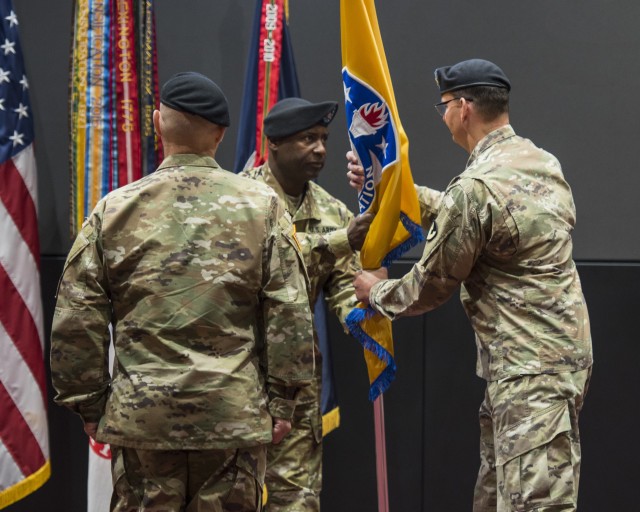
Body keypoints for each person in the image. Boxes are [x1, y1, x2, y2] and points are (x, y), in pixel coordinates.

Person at [50, 72, 315, 512]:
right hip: (231, 417)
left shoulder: (113, 210)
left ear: (157, 124)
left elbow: (77, 317)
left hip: (143, 420)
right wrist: (284, 402)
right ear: (221, 134)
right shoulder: (263, 207)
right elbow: (290, 311)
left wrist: (89, 405)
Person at [350, 59, 593, 511]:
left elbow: (431, 285)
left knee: (533, 506)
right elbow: (478, 219)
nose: (442, 116)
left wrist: (375, 292)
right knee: (499, 498)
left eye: (442, 106)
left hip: (529, 372)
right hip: (545, 364)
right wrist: (390, 189)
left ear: (463, 108)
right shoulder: (537, 162)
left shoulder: (478, 186)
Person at [241, 97, 373, 512]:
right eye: (307, 139)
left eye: (323, 139)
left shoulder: (333, 212)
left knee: (296, 503)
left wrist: (372, 305)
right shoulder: (240, 202)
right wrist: (340, 242)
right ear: (274, 143)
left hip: (296, 388)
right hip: (236, 380)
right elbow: (265, 265)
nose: (320, 149)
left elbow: (342, 293)